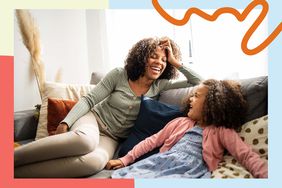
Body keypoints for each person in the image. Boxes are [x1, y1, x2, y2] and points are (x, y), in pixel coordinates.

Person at [14, 37, 202, 178]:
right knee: (85, 142)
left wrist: (176, 62)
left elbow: (198, 81)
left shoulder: (160, 85)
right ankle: (11, 159)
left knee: (94, 162)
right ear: (142, 58)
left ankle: (17, 175)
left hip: (112, 138)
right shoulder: (120, 74)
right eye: (153, 56)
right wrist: (66, 122)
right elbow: (89, 100)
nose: (159, 63)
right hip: (93, 120)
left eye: (164, 60)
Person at [106, 79, 268, 178]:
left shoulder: (221, 130)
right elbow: (151, 142)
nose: (191, 99)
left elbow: (245, 154)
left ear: (213, 102)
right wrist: (125, 159)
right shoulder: (180, 122)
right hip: (163, 161)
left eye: (197, 96)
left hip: (192, 170)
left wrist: (268, 176)